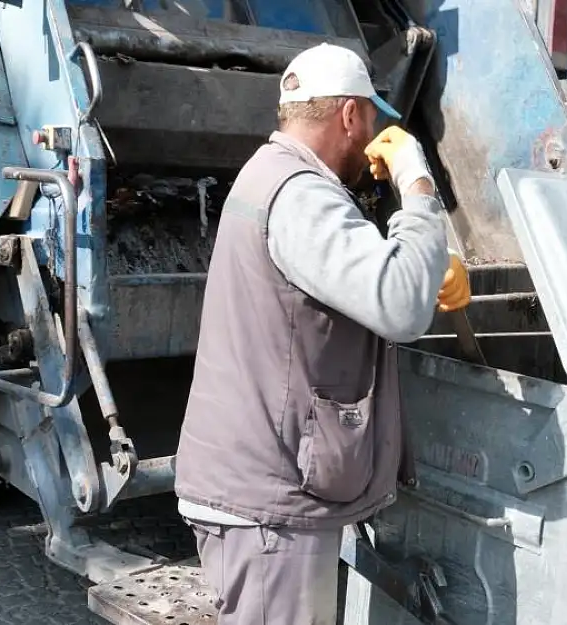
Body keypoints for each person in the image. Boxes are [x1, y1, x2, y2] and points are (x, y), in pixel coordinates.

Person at [172, 42, 470, 624]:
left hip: (265, 492)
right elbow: (402, 308)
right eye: (371, 119)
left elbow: (354, 282)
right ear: (351, 116)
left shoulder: (274, 177)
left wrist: (421, 257)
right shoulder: (300, 195)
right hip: (269, 507)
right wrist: (417, 187)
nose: (372, 142)